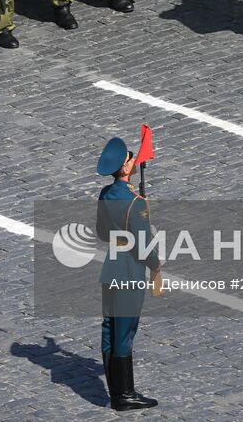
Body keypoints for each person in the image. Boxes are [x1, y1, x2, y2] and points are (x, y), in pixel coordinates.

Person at [96, 136, 161, 412]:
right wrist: (156, 266)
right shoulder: (134, 204)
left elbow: (101, 232)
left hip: (110, 269)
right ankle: (124, 395)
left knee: (110, 329)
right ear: (125, 169)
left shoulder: (105, 194)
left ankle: (115, 391)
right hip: (129, 273)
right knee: (125, 331)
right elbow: (145, 247)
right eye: (130, 159)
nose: (134, 160)